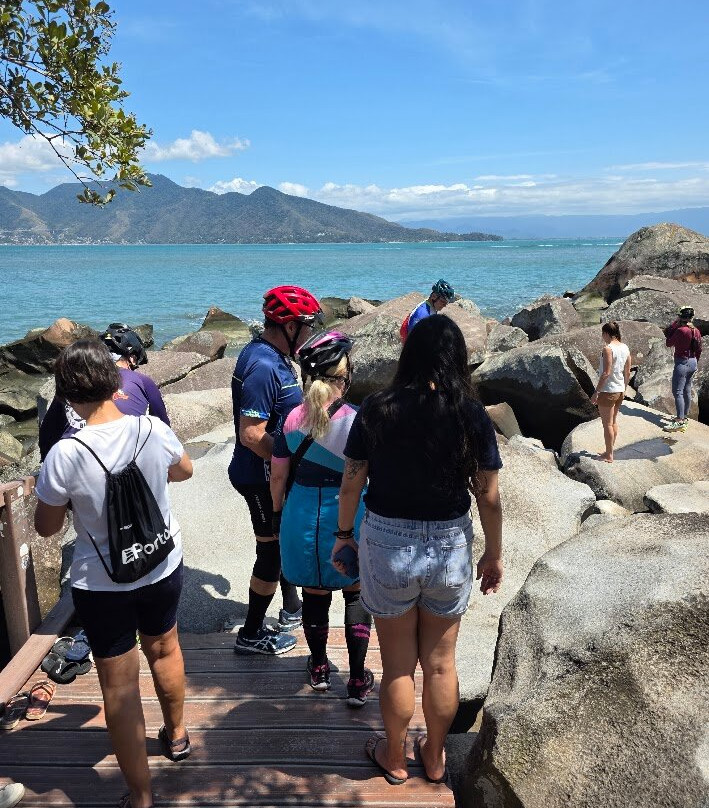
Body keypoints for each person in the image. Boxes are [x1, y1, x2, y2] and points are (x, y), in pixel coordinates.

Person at [335, 314, 504, 785]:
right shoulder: (470, 413)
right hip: (449, 543)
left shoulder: (376, 407)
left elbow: (352, 483)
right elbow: (487, 494)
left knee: (395, 665)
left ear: (409, 355)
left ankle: (393, 757)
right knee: (441, 662)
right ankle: (433, 756)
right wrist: (493, 553)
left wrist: (344, 535)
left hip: (388, 541)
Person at [34, 339, 193, 808]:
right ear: (114, 382)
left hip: (102, 583)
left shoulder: (65, 454)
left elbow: (46, 528)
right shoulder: (149, 429)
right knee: (165, 648)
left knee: (119, 687)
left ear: (65, 396)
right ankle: (178, 736)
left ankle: (141, 795)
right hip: (162, 562)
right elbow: (183, 471)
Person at [270, 331, 374, 705]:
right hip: (347, 513)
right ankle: (358, 679)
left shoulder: (289, 419)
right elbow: (366, 475)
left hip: (301, 513)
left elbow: (278, 476)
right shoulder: (356, 420)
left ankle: (317, 668)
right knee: (354, 591)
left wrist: (279, 515)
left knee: (314, 594)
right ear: (342, 380)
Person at [228, 285, 324, 655]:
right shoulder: (263, 366)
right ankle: (251, 633)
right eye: (307, 325)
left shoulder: (274, 355)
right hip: (259, 476)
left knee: (278, 545)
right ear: (288, 325)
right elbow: (251, 434)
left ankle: (289, 610)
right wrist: (285, 463)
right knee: (270, 553)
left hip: (266, 474)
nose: (311, 332)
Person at [39, 323, 169, 460]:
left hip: (70, 459)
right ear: (132, 358)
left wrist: (46, 466)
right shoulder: (143, 381)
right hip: (123, 461)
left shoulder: (75, 381)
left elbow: (48, 433)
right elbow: (164, 429)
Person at [590, 321, 631, 463]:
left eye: (603, 334)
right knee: (613, 422)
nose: (603, 337)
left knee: (607, 424)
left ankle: (608, 455)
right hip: (619, 390)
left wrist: (596, 392)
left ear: (606, 334)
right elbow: (627, 371)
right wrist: (624, 388)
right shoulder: (625, 347)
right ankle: (610, 450)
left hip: (608, 391)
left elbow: (606, 373)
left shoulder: (608, 348)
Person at [663, 306, 702, 433]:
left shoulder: (681, 330)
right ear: (691, 317)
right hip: (693, 362)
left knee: (677, 391)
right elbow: (699, 349)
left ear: (681, 316)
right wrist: (695, 360)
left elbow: (669, 343)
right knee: (687, 389)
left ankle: (679, 421)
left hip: (682, 362)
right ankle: (684, 416)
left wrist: (675, 322)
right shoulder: (696, 330)